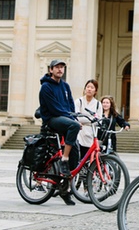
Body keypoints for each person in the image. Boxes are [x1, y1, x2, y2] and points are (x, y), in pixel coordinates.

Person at [38, 59, 80, 206]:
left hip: (64, 119)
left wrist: (74, 116)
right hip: (52, 120)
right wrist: (73, 120)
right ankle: (64, 159)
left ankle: (65, 189)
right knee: (74, 126)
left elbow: (70, 106)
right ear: (51, 70)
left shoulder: (66, 86)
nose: (60, 70)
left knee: (76, 153)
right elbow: (55, 109)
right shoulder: (46, 87)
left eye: (62, 67)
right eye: (57, 67)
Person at [75, 79, 101, 161]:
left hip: (91, 133)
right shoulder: (79, 101)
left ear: (95, 91)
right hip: (80, 131)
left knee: (89, 157)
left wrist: (85, 119)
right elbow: (77, 117)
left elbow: (99, 120)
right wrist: (91, 119)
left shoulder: (97, 104)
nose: (89, 89)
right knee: (79, 154)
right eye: (88, 87)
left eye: (92, 87)